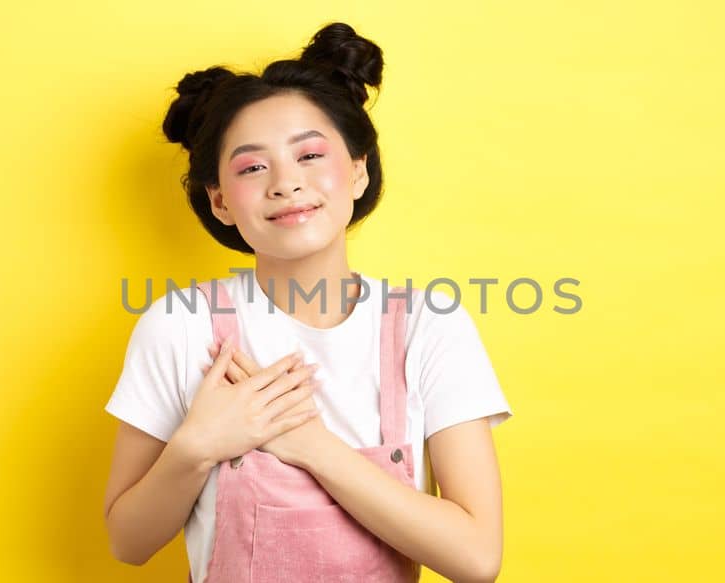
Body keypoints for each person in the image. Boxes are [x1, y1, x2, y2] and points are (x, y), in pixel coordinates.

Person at [101, 22, 513, 583]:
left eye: (310, 155)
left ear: (359, 170)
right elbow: (128, 541)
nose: (286, 183)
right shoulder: (180, 326)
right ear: (219, 201)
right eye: (252, 166)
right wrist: (197, 447)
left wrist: (310, 446)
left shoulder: (428, 326)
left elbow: (476, 558)